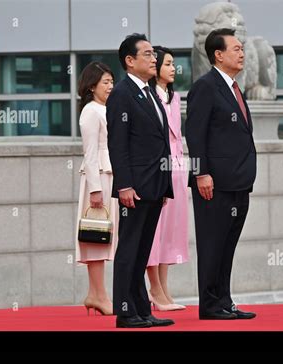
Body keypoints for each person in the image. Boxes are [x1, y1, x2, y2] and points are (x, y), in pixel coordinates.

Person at [185, 28, 257, 320]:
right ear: (218, 54)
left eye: (242, 49)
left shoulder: (234, 89)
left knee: (227, 246)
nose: (242, 54)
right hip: (214, 184)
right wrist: (201, 173)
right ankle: (210, 305)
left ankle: (225, 302)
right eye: (236, 49)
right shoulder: (206, 86)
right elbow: (196, 133)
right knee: (212, 244)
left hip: (239, 182)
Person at [106, 33, 175, 328]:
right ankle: (125, 311)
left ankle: (141, 309)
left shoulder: (150, 92)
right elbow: (118, 144)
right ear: (129, 61)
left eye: (153, 54)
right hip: (133, 188)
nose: (154, 59)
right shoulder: (122, 93)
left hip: (154, 186)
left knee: (143, 251)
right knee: (129, 250)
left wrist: (164, 185)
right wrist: (124, 185)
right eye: (147, 54)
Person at [146, 46, 189, 311]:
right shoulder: (149, 97)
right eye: (168, 64)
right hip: (157, 170)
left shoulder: (175, 97)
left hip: (177, 169)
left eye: (174, 64)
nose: (173, 68)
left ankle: (164, 288)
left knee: (171, 231)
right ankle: (154, 289)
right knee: (155, 231)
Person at [75, 61, 118, 316]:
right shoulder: (91, 111)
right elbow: (89, 153)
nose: (111, 86)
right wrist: (94, 189)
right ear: (92, 86)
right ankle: (98, 295)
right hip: (99, 178)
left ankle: (97, 294)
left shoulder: (105, 108)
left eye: (112, 81)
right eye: (105, 82)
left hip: (109, 175)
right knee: (96, 237)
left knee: (104, 237)